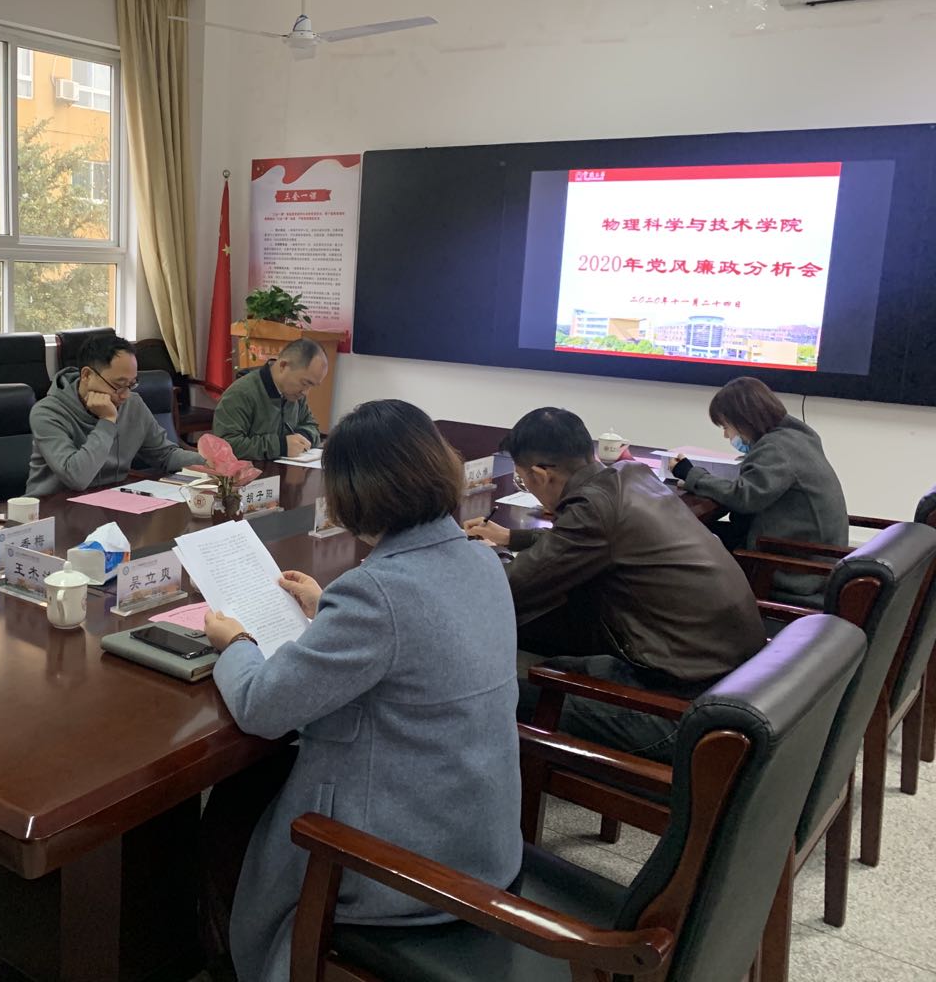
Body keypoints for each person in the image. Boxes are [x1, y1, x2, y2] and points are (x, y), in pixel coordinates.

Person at [203, 399, 522, 982]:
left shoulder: (376, 594)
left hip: (404, 867)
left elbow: (261, 707)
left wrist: (237, 642)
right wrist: (329, 606)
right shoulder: (482, 560)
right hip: (481, 838)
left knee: (232, 807)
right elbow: (420, 633)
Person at [464, 407, 764, 760]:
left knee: (493, 697)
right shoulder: (630, 475)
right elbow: (584, 539)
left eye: (522, 480)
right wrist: (511, 538)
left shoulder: (593, 508)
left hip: (682, 710)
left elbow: (508, 590)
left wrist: (479, 560)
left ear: (540, 474)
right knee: (551, 666)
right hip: (732, 678)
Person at [672, 376, 848, 599]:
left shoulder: (776, 449)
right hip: (811, 554)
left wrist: (692, 475)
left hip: (792, 568)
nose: (726, 435)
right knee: (699, 534)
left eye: (726, 426)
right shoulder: (797, 436)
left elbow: (743, 497)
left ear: (745, 421)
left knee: (681, 547)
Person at [26, 332, 202, 495]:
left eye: (131, 384)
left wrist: (208, 461)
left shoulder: (133, 404)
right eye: (118, 385)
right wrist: (107, 421)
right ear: (87, 375)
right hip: (55, 508)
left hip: (112, 501)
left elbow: (165, 455)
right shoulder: (47, 413)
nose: (125, 395)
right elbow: (76, 478)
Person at [212, 337, 327, 461]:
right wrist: (281, 446)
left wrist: (302, 438)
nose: (306, 392)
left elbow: (311, 426)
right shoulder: (240, 394)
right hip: (251, 471)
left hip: (286, 468)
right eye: (304, 383)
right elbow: (226, 446)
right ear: (283, 366)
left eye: (312, 386)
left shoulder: (295, 394)